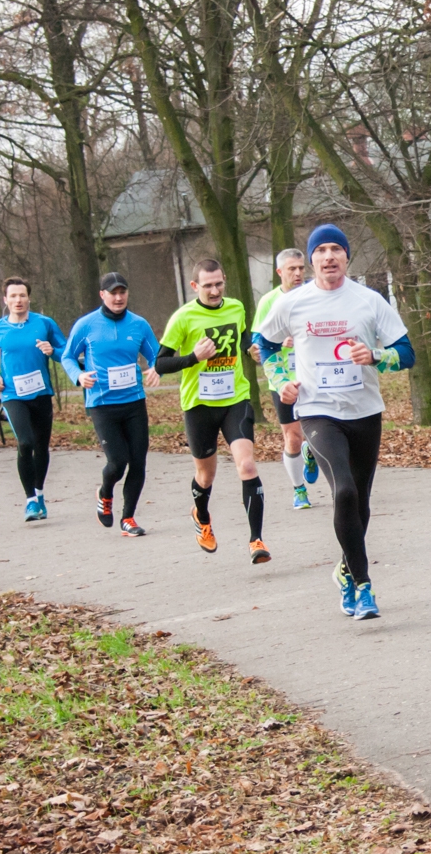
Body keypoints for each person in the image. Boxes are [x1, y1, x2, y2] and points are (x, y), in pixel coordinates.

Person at [254, 224, 414, 620]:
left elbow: (406, 352)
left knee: (360, 505)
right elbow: (263, 345)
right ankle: (363, 587)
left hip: (364, 411)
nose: (328, 256)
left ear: (346, 257)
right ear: (310, 260)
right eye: (321, 250)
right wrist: (280, 382)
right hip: (317, 410)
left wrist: (376, 356)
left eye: (335, 249)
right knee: (343, 491)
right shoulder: (293, 303)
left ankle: (345, 568)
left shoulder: (369, 300)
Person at [157, 259, 270, 563]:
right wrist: (193, 357)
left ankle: (256, 540)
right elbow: (161, 363)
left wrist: (251, 347)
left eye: (219, 283)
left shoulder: (235, 307)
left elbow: (243, 334)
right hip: (199, 406)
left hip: (235, 399)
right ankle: (201, 515)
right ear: (195, 287)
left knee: (247, 467)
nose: (214, 290)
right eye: (207, 285)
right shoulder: (183, 318)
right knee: (205, 477)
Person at [62, 273, 161, 536]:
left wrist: (156, 369)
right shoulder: (86, 325)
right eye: (112, 293)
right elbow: (67, 357)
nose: (118, 298)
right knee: (118, 462)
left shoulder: (139, 325)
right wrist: (78, 375)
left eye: (122, 292)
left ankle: (128, 518)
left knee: (138, 462)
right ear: (102, 295)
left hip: (134, 403)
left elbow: (157, 354)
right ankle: (105, 492)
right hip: (102, 404)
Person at [0, 276, 68, 521]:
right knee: (25, 442)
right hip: (12, 394)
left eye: (22, 295)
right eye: (13, 296)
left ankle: (40, 494)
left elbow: (65, 352)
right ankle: (30, 501)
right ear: (5, 300)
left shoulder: (44, 324)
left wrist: (53, 352)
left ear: (29, 298)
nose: (18, 300)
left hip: (41, 393)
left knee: (41, 446)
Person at [250, 247, 319, 509]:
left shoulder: (316, 295)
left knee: (315, 434)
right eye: (292, 269)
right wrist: (278, 343)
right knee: (292, 437)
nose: (298, 273)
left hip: (313, 376)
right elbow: (257, 345)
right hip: (283, 381)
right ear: (280, 272)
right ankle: (299, 490)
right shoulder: (269, 301)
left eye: (301, 268)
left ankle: (310, 452)